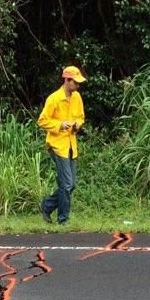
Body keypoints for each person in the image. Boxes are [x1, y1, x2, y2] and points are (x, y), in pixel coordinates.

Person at [38, 65, 86, 225]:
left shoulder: (77, 97)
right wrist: (60, 125)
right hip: (57, 146)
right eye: (75, 82)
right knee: (66, 184)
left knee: (71, 185)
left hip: (71, 145)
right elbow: (42, 121)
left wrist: (77, 124)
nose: (78, 85)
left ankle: (47, 205)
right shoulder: (54, 99)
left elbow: (80, 117)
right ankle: (63, 220)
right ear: (67, 80)